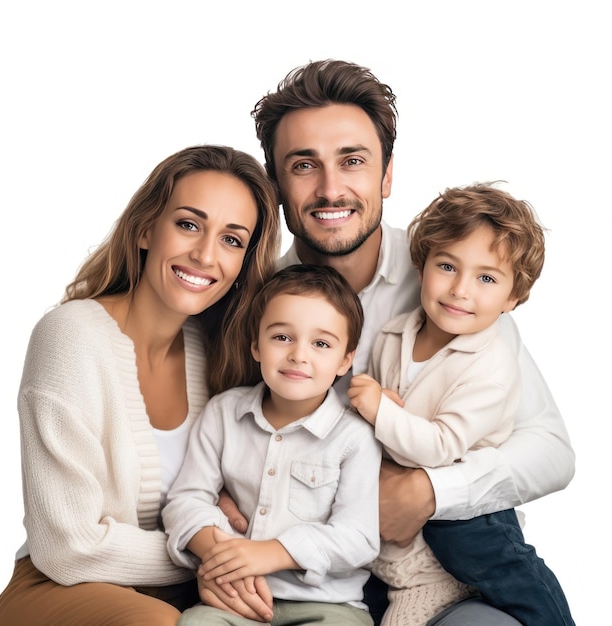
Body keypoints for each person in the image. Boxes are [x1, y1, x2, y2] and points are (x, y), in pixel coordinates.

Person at [245, 59, 575, 625]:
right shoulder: (259, 305)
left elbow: (551, 453)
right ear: (275, 184)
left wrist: (429, 492)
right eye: (304, 165)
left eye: (353, 161)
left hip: (443, 568)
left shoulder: (457, 284)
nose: (330, 189)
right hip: (317, 573)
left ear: (387, 175)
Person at [0, 145, 281, 626]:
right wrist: (206, 553)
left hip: (186, 589)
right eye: (189, 224)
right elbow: (67, 547)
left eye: (232, 240)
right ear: (147, 228)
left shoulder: (220, 354)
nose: (206, 254)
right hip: (62, 589)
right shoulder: (71, 337)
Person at [348, 183, 575, 625]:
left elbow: (438, 447)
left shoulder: (491, 364)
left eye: (486, 278)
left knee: (517, 583)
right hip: (406, 531)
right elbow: (384, 427)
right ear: (422, 264)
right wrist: (381, 407)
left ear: (514, 298)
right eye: (447, 266)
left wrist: (381, 410)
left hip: (475, 519)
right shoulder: (396, 334)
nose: (460, 290)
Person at [162, 264, 382, 626]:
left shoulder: (354, 437)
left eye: (321, 343)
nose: (298, 354)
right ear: (256, 344)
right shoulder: (223, 413)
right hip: (233, 597)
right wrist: (223, 556)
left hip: (328, 606)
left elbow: (357, 538)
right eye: (282, 337)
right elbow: (186, 499)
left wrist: (272, 553)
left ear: (346, 360)